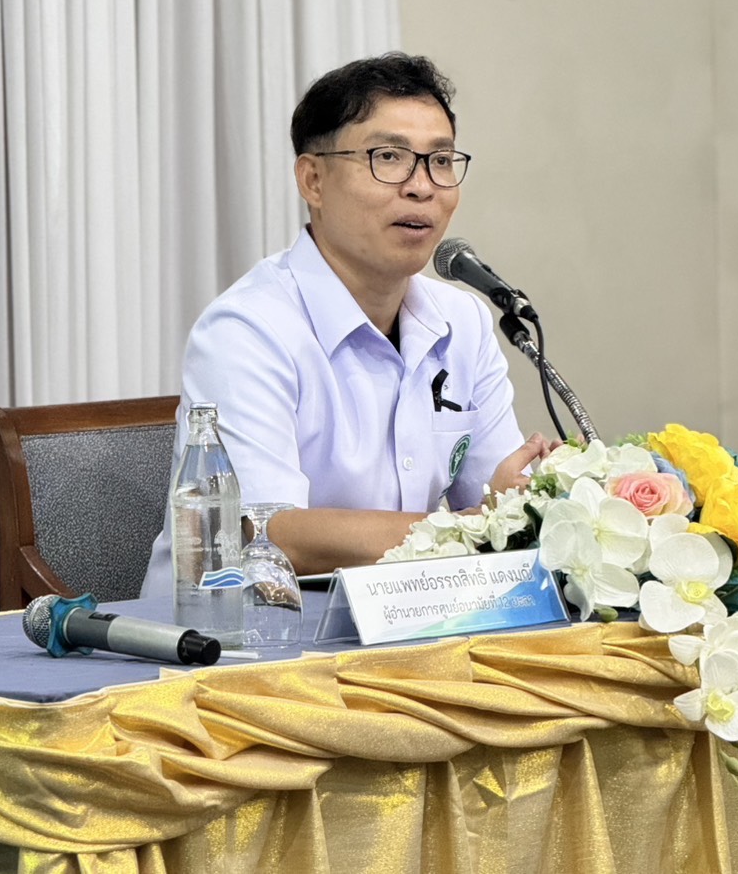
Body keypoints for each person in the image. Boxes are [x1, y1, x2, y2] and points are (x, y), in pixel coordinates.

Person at [141, 52, 549, 602]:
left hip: (405, 622)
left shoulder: (464, 321)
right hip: (244, 632)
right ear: (313, 180)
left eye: (440, 160)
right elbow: (270, 534)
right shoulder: (246, 330)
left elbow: (502, 502)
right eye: (389, 157)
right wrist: (469, 527)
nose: (422, 186)